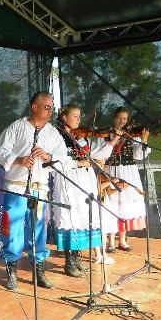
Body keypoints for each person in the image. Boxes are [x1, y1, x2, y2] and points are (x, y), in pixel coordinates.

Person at [0, 92, 69, 290]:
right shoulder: (17, 127)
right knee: (13, 230)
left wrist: (48, 156)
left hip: (39, 189)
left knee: (39, 230)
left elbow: (64, 158)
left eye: (51, 108)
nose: (50, 111)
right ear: (35, 107)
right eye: (47, 107)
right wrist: (18, 160)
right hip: (17, 187)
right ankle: (11, 270)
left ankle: (39, 270)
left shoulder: (53, 133)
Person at [52, 104, 115, 277]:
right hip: (69, 179)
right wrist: (78, 163)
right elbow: (55, 161)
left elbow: (97, 153)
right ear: (64, 117)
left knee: (81, 217)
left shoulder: (78, 136)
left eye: (80, 116)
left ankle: (76, 257)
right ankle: (69, 261)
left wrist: (112, 141)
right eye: (75, 116)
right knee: (69, 216)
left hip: (83, 179)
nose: (79, 120)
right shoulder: (56, 135)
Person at [104, 106, 150, 252]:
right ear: (114, 118)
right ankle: (110, 241)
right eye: (120, 118)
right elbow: (103, 153)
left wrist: (144, 140)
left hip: (128, 172)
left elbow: (139, 156)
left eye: (125, 119)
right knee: (111, 204)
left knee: (124, 206)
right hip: (112, 171)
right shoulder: (106, 134)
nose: (122, 121)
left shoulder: (132, 135)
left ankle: (122, 240)